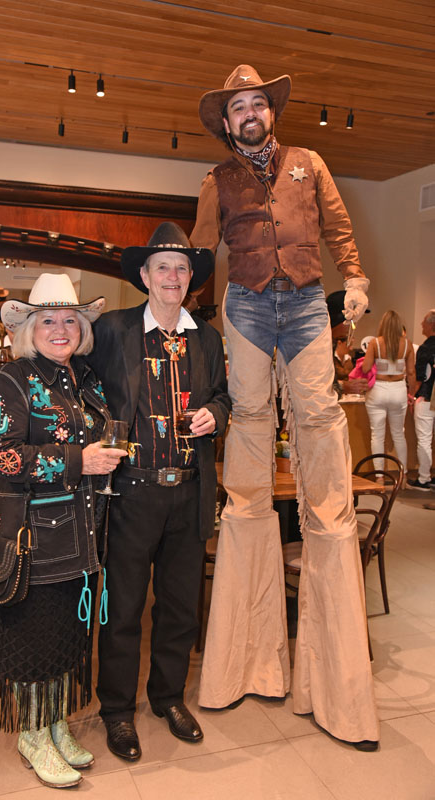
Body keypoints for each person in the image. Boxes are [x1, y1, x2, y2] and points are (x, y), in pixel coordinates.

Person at [191, 64, 379, 749]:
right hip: (242, 305)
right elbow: (198, 249)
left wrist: (353, 277)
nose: (248, 113)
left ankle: (328, 526)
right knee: (247, 418)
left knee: (319, 416)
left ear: (269, 111)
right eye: (237, 106)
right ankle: (248, 657)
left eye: (255, 103)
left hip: (303, 305)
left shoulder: (308, 162)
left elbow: (336, 226)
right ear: (226, 118)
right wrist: (180, 306)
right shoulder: (215, 180)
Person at [88, 222, 230, 761]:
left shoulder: (208, 339)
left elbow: (222, 395)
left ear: (191, 278)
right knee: (122, 609)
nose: (173, 276)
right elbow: (83, 387)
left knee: (178, 609)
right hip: (129, 494)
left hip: (189, 492)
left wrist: (214, 415)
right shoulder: (112, 331)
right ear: (145, 276)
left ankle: (168, 696)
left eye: (181, 267)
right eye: (162, 267)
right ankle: (117, 711)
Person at [0, 273, 124, 789]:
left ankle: (55, 723)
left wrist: (100, 457)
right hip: (33, 539)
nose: (60, 329)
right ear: (29, 328)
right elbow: (0, 458)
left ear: (82, 328)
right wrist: (77, 460)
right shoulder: (12, 380)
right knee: (33, 637)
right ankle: (32, 733)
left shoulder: (85, 378)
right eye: (49, 320)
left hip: (82, 534)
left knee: (66, 635)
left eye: (70, 320)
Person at [361, 310, 415, 484]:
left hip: (378, 390)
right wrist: (411, 393)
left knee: (377, 435)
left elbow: (365, 368)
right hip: (398, 390)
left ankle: (379, 477)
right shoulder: (407, 345)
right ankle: (403, 476)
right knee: (399, 434)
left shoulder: (375, 343)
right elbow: (412, 372)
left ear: (383, 325)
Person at [408, 309, 435, 490]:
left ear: (431, 325)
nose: (421, 325)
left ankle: (424, 478)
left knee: (424, 439)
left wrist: (412, 396)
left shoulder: (425, 348)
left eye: (424, 321)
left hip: (426, 398)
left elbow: (419, 377)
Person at [326, 290, 370, 397]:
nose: (353, 326)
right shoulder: (320, 344)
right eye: (352, 321)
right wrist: (344, 386)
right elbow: (320, 385)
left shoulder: (331, 342)